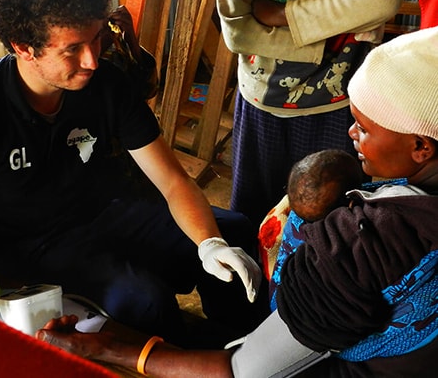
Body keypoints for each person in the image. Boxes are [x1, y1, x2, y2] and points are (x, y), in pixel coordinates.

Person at [37, 26, 438, 377]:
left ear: (420, 145)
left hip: (341, 366)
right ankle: (245, 331)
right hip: (65, 234)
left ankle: (237, 338)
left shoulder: (364, 241)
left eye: (364, 128)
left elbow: (245, 373)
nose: (350, 133)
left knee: (159, 289)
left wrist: (106, 348)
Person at [0, 0, 269, 347]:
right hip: (33, 248)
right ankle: (171, 363)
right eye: (72, 49)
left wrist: (209, 245)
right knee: (144, 302)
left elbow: (173, 181)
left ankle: (247, 347)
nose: (92, 60)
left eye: (96, 38)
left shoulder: (106, 84)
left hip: (111, 212)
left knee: (233, 232)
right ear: (23, 46)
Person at [216, 0, 406, 227]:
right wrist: (343, 7)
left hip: (338, 102)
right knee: (255, 224)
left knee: (333, 228)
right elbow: (238, 30)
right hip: (266, 99)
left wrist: (281, 15)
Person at [268, 148, 363, 309]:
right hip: (299, 314)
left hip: (275, 302)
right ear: (351, 203)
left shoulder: (297, 216)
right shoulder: (345, 240)